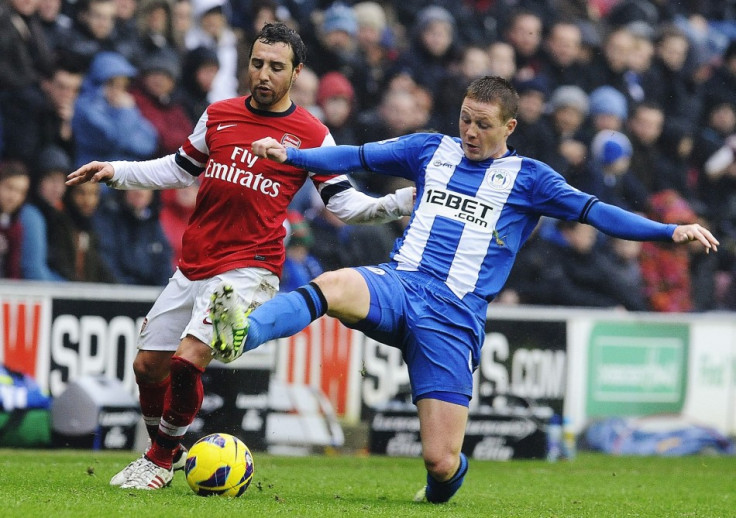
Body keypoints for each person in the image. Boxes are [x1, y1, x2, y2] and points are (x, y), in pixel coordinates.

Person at [219, 75, 718, 504]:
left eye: (483, 124)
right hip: (400, 283)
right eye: (465, 119)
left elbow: (596, 212)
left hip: (453, 318)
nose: (471, 132)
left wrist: (666, 231)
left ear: (509, 127)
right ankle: (244, 331)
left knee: (440, 461)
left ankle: (439, 489)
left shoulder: (530, 179)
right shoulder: (430, 149)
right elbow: (355, 153)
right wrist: (293, 153)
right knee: (333, 284)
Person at [65, 22, 414, 490]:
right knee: (148, 366)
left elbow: (344, 205)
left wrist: (400, 203)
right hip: (195, 261)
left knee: (189, 361)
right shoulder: (219, 114)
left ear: (296, 72)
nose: (263, 75)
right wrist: (116, 171)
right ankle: (164, 455)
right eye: (256, 64)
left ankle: (160, 458)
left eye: (276, 67)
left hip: (251, 266)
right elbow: (179, 168)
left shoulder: (312, 134)